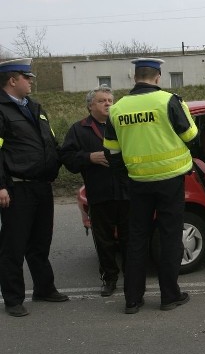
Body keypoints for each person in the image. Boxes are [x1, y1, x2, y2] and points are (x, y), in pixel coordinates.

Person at [104, 57, 198, 314]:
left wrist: (127, 176)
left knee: (136, 239)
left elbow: (111, 152)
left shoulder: (117, 109)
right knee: (169, 237)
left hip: (137, 182)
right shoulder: (168, 101)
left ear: (134, 77)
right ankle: (170, 296)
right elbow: (191, 136)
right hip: (170, 180)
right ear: (158, 76)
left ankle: (132, 300)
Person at [0, 58, 68, 317]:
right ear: (12, 80)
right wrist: (1, 186)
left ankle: (44, 288)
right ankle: (14, 299)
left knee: (41, 243)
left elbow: (50, 143)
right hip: (17, 187)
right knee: (13, 246)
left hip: (41, 185)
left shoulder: (34, 107)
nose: (30, 82)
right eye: (27, 78)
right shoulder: (1, 109)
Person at [60, 85, 129, 297]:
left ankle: (133, 277)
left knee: (130, 238)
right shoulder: (79, 129)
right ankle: (109, 278)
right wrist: (89, 157)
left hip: (127, 193)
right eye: (102, 101)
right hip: (100, 194)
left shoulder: (122, 125)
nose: (108, 103)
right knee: (104, 240)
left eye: (110, 100)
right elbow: (68, 159)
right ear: (91, 105)